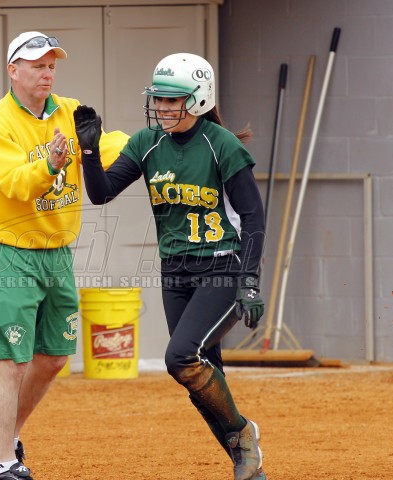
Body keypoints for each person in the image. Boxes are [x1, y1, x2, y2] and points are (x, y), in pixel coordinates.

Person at [74, 53, 267, 480]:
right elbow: (101, 193)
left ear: (199, 99)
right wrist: (89, 149)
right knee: (200, 378)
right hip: (175, 271)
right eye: (157, 98)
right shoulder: (147, 142)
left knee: (181, 357)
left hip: (222, 265)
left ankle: (242, 434)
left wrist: (250, 281)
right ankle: (247, 465)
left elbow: (253, 216)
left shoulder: (222, 145)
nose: (161, 106)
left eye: (171, 99)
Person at [0, 31, 128, 480]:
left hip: (55, 252)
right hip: (7, 251)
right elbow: (15, 183)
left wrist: (165, 141)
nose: (47, 73)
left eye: (51, 65)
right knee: (12, 361)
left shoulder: (69, 112)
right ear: (12, 70)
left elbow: (115, 148)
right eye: (37, 65)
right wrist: (51, 165)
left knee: (55, 356)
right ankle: (5, 463)